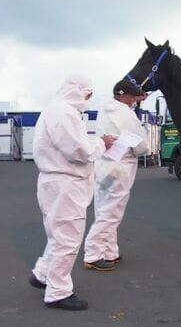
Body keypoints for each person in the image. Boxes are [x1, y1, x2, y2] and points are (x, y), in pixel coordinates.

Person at [28, 74, 115, 311]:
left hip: (57, 183)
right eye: (88, 93)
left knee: (58, 235)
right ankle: (58, 292)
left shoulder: (56, 111)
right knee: (67, 239)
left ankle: (43, 274)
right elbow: (79, 151)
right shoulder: (64, 113)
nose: (89, 98)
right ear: (78, 91)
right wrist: (102, 143)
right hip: (65, 184)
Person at [83, 80, 149, 271]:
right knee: (112, 213)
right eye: (133, 96)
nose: (135, 100)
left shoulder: (103, 110)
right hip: (122, 165)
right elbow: (142, 146)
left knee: (103, 209)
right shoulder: (127, 114)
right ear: (123, 95)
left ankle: (109, 251)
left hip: (103, 164)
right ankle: (93, 254)